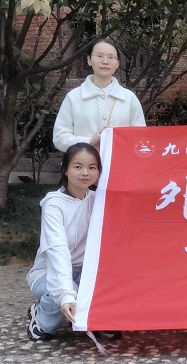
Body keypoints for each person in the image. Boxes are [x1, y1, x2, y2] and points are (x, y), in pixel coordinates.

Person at [26, 143, 102, 341]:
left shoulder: (98, 200)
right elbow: (57, 250)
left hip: (84, 272)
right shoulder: (54, 205)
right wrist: (65, 295)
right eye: (78, 166)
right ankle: (40, 316)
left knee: (97, 289)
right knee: (69, 295)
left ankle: (85, 315)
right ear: (65, 169)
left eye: (92, 167)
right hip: (48, 272)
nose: (85, 173)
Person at [53, 38, 146, 152]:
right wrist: (89, 142)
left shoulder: (129, 98)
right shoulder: (74, 97)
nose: (105, 61)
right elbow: (59, 137)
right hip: (83, 162)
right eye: (99, 56)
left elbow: (140, 136)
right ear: (89, 60)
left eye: (111, 57)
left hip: (120, 161)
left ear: (117, 63)